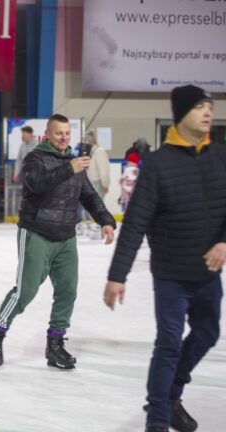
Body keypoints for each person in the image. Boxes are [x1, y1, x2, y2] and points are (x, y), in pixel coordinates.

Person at [103, 85, 222, 432]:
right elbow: (136, 222)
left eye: (209, 106)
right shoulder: (157, 165)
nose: (207, 112)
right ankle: (157, 420)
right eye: (199, 106)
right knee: (168, 343)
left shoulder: (220, 157)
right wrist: (117, 275)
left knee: (207, 333)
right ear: (181, 113)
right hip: (171, 274)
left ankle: (170, 396)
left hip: (207, 274)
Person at [0, 114, 116, 371]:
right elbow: (36, 183)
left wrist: (106, 220)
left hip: (65, 236)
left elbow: (88, 195)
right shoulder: (36, 157)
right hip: (36, 232)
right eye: (58, 133)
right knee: (26, 291)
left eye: (67, 133)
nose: (64, 137)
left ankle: (55, 345)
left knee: (67, 291)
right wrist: (70, 168)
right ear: (47, 135)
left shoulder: (74, 161)